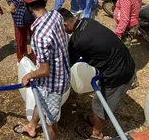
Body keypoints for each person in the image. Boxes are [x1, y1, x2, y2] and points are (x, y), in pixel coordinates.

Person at [58, 9, 136, 140]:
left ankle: (97, 133)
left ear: (65, 24)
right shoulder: (87, 22)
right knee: (100, 103)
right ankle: (97, 120)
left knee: (99, 103)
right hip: (127, 62)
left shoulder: (78, 41)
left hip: (118, 73)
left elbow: (67, 62)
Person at [14, 0, 70, 140]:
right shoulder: (56, 15)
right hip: (60, 72)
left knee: (51, 122)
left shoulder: (39, 36)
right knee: (41, 99)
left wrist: (29, 75)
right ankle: (32, 126)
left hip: (54, 82)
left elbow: (45, 70)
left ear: (28, 5)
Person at [2, 0, 50, 64]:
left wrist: (40, 4)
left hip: (33, 15)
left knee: (35, 38)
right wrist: (10, 3)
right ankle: (21, 58)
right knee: (20, 38)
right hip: (19, 15)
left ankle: (35, 58)